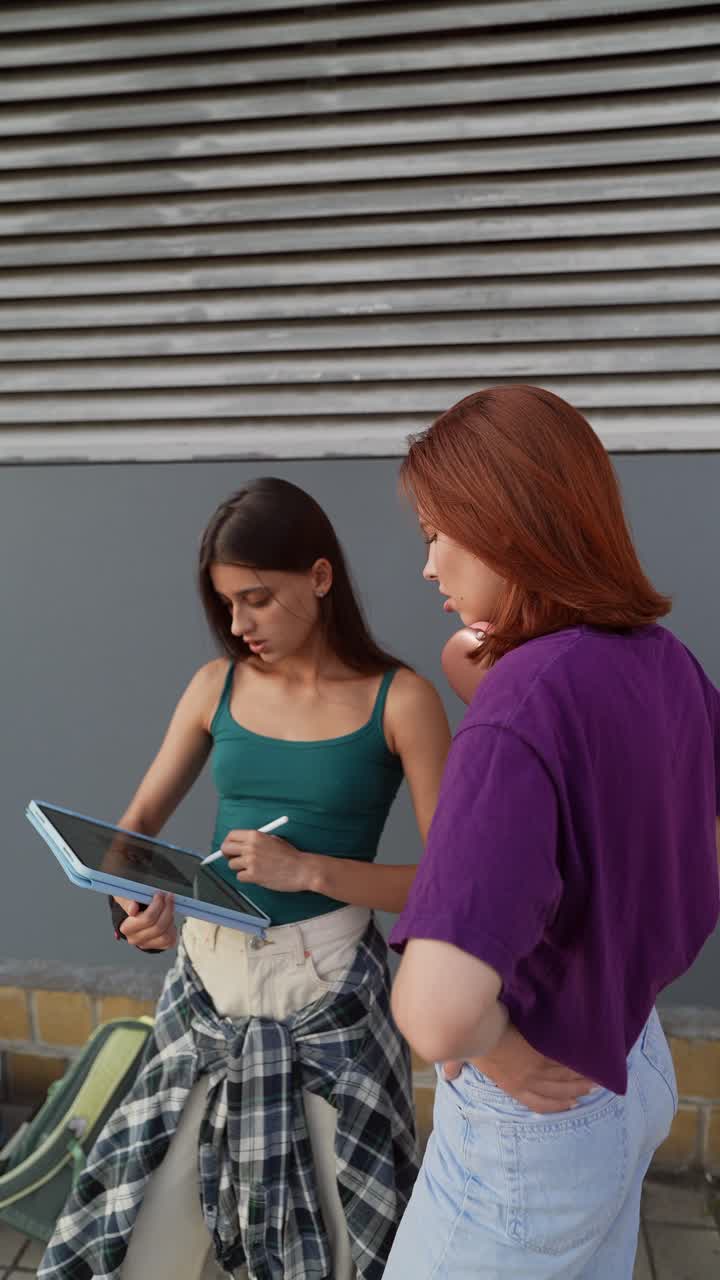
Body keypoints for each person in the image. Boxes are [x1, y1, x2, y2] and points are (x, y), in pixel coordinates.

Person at [39, 477, 451, 1280]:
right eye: (227, 605)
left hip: (333, 997)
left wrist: (311, 870)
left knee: (343, 1237)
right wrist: (135, 911)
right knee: (144, 1231)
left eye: (258, 599)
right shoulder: (213, 686)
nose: (239, 625)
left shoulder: (402, 701)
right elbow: (130, 841)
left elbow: (449, 886)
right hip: (207, 985)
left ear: (321, 577)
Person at [384, 385, 720, 1279]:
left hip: (536, 1106)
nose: (428, 570)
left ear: (508, 524)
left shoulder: (516, 720)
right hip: (633, 1060)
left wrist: (495, 1046)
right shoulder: (661, 661)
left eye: (435, 536)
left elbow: (433, 1013)